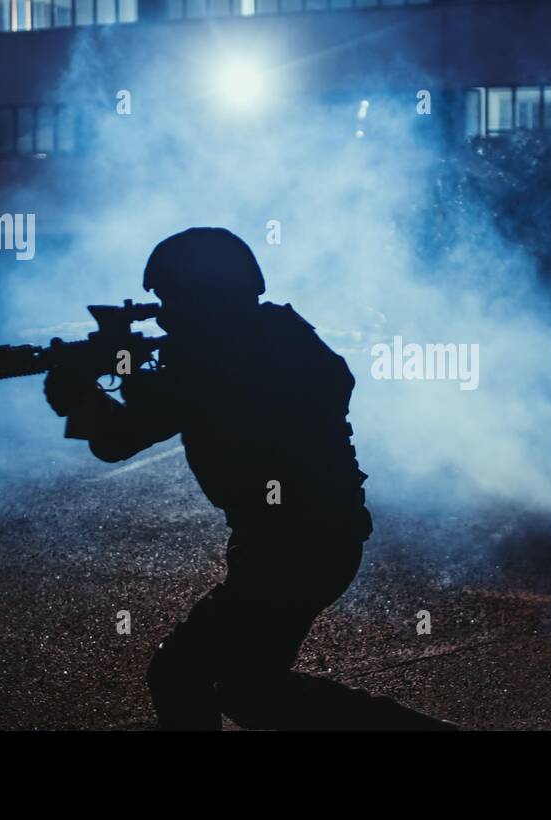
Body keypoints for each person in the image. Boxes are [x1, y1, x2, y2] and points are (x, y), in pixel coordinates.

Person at [44, 227, 453, 730]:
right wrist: (126, 369)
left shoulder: (214, 357)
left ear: (204, 296)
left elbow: (117, 440)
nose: (166, 313)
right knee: (252, 691)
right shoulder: (276, 335)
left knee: (182, 673)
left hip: (294, 548)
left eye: (173, 299)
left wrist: (79, 393)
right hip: (310, 540)